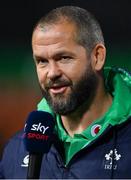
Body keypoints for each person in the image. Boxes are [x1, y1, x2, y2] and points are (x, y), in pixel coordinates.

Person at [0, 5, 131, 179]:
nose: (52, 73)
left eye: (63, 58)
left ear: (97, 57)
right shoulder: (16, 151)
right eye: (42, 61)